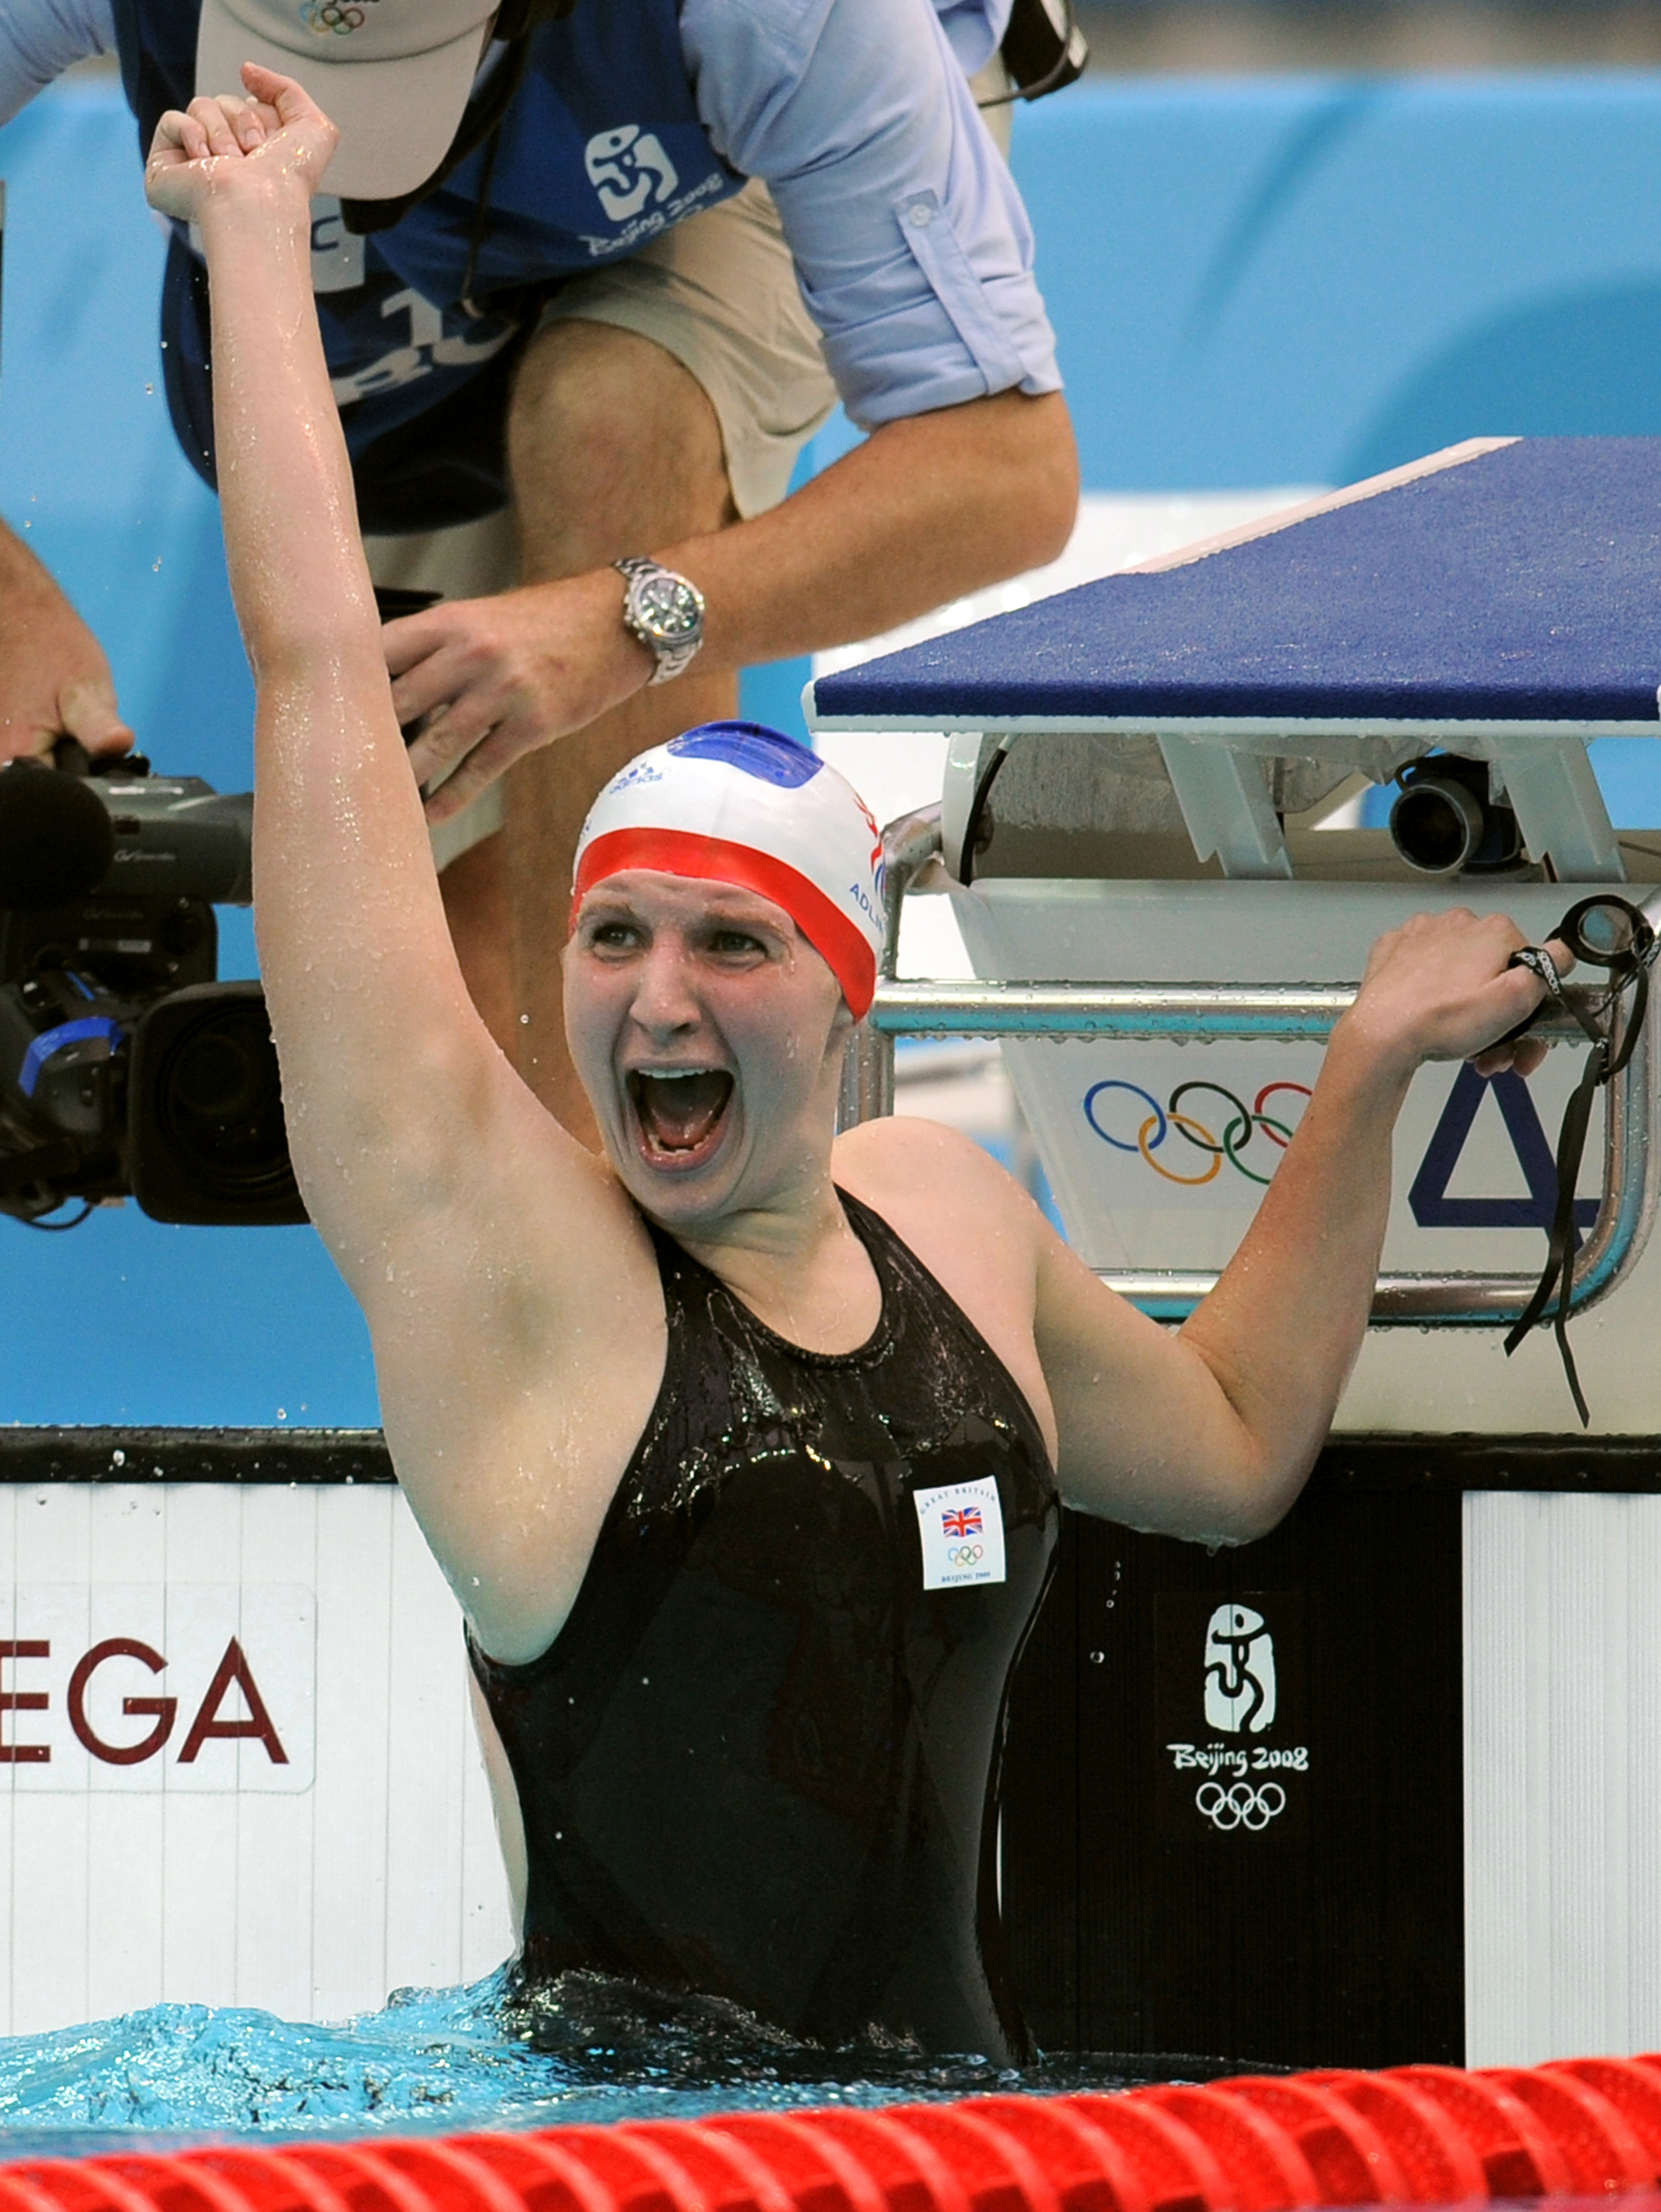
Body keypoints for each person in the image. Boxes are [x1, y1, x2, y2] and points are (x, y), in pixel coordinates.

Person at [146, 70, 1568, 2062]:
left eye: (727, 942)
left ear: (844, 999)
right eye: (612, 933)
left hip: (954, 2140)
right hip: (616, 2168)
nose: (653, 993)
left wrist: (1369, 1063)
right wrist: (257, 236)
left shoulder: (954, 1227)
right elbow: (318, 675)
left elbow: (1234, 1448)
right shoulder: (518, 1287)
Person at [0, 0, 1076, 1141]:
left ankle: (648, 1269)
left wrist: (620, 626)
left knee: (613, 409)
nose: (327, 138)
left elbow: (1003, 466)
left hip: (720, 114)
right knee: (453, 989)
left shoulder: (795, 15)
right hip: (481, 221)